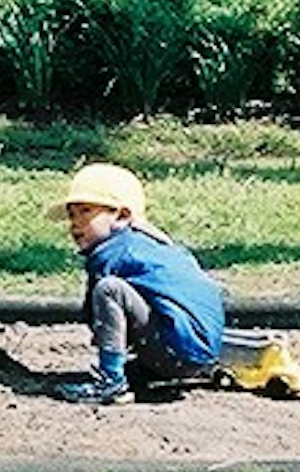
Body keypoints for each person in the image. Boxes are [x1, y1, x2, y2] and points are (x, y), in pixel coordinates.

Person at [56, 160, 224, 405]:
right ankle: (147, 370)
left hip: (176, 353)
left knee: (109, 289)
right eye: (71, 215)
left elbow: (95, 314)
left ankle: (110, 382)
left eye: (85, 212)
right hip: (201, 357)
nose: (75, 223)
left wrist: (106, 339)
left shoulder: (112, 252)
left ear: (123, 216)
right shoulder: (157, 246)